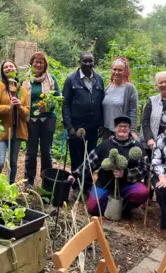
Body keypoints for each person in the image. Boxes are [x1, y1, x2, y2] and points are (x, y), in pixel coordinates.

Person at [69, 116, 149, 217]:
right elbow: (89, 163)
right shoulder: (105, 145)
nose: (123, 129)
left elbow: (144, 168)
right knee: (93, 209)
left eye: (125, 126)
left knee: (142, 192)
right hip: (105, 184)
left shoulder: (137, 147)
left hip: (127, 186)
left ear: (129, 129)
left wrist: (125, 174)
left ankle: (123, 208)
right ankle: (110, 205)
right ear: (115, 128)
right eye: (120, 126)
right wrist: (75, 175)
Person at [62, 52, 105, 196]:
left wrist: (101, 124)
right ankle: (75, 186)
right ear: (79, 62)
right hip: (76, 127)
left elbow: (101, 103)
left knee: (91, 157)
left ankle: (87, 185)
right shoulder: (71, 80)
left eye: (90, 61)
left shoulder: (98, 79)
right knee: (77, 156)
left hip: (93, 127)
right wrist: (69, 127)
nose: (87, 64)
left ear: (94, 62)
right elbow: (66, 104)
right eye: (84, 61)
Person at [23, 52, 61, 189]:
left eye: (41, 62)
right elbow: (22, 98)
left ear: (45, 65)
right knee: (31, 152)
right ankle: (29, 181)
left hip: (48, 119)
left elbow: (58, 98)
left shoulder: (52, 79)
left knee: (46, 151)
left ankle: (47, 180)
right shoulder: (26, 80)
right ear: (31, 64)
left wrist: (48, 106)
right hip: (31, 120)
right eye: (35, 62)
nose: (38, 64)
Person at [0, 60, 30, 184]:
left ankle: (9, 187)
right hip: (0, 130)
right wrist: (8, 107)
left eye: (11, 66)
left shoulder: (22, 89)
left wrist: (19, 107)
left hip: (17, 131)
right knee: (0, 161)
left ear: (16, 70)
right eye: (5, 67)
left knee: (13, 162)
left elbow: (27, 111)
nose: (8, 68)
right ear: (2, 71)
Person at [102, 57, 138, 141]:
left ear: (125, 72)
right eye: (114, 69)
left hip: (122, 131)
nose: (116, 72)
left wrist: (132, 131)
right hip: (107, 131)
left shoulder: (130, 88)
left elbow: (133, 111)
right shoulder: (107, 88)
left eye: (120, 70)